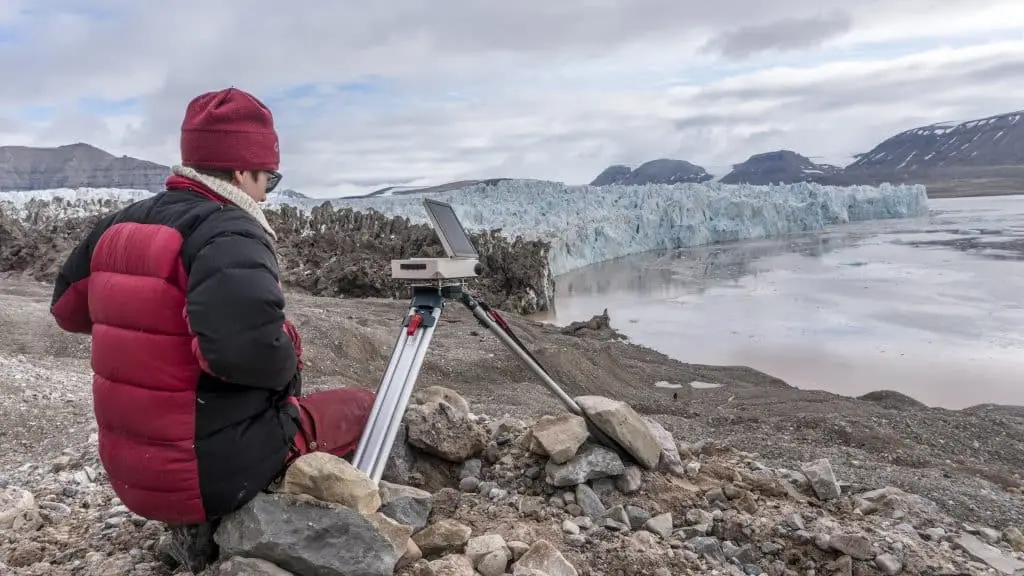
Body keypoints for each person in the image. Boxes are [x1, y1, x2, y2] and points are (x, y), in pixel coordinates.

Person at [49, 87, 376, 571]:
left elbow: (67, 311)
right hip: (207, 475)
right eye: (270, 178)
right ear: (243, 171)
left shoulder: (121, 223)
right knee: (362, 405)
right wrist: (286, 347)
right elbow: (242, 354)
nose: (267, 192)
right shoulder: (230, 231)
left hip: (130, 472)